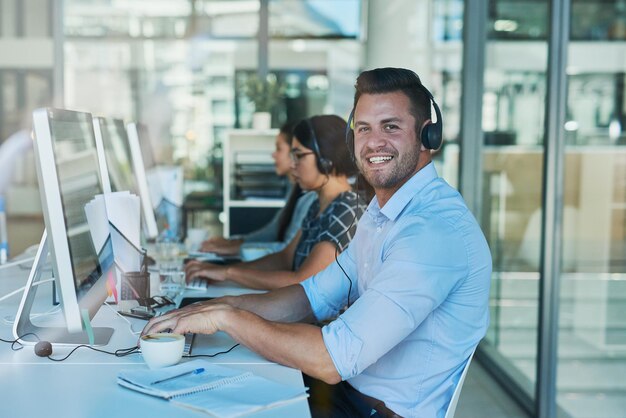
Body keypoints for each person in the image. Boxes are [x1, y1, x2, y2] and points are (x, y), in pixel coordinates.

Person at [143, 68, 492, 417]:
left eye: (391, 127)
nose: (374, 142)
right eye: (364, 128)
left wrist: (229, 319)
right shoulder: (382, 215)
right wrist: (212, 309)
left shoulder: (431, 232)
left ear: (428, 135)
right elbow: (310, 297)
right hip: (344, 396)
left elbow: (332, 359)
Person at [185, 115, 366, 290]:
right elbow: (284, 259)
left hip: (322, 320)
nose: (293, 164)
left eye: (299, 156)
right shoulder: (318, 205)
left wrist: (228, 273)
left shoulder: (347, 210)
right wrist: (224, 271)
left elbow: (303, 281)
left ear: (326, 160)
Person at [200, 122, 317, 257]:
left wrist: (236, 249)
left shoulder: (309, 196)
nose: (273, 155)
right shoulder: (295, 189)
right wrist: (232, 242)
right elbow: (273, 231)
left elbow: (287, 251)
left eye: (279, 149)